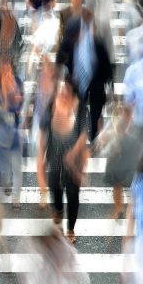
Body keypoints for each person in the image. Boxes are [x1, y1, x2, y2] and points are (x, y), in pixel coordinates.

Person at [37, 77, 90, 243]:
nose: (62, 95)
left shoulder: (80, 109)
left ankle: (71, 229)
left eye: (66, 92)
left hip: (74, 161)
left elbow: (83, 134)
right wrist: (41, 154)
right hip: (55, 156)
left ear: (73, 93)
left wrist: (73, 153)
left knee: (73, 196)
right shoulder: (52, 105)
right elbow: (44, 131)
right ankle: (58, 209)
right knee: (54, 186)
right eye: (60, 92)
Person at [57, 16, 113, 142]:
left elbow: (107, 66)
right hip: (76, 85)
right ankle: (77, 139)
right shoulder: (69, 43)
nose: (73, 39)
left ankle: (92, 139)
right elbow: (60, 59)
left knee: (94, 116)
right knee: (78, 114)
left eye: (75, 36)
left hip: (96, 85)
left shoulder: (96, 42)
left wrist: (106, 83)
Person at [96, 101, 143, 220]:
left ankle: (132, 209)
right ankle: (119, 208)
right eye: (123, 110)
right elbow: (102, 137)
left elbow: (141, 144)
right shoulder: (115, 123)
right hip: (116, 159)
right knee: (118, 186)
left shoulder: (137, 124)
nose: (124, 114)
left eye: (127, 111)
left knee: (134, 186)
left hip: (130, 159)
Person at [0, 58, 24, 210]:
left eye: (9, 70)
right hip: (2, 132)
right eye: (4, 71)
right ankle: (6, 181)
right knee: (5, 162)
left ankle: (16, 197)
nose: (7, 73)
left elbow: (20, 104)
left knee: (17, 165)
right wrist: (5, 90)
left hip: (16, 131)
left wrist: (18, 100)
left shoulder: (18, 81)